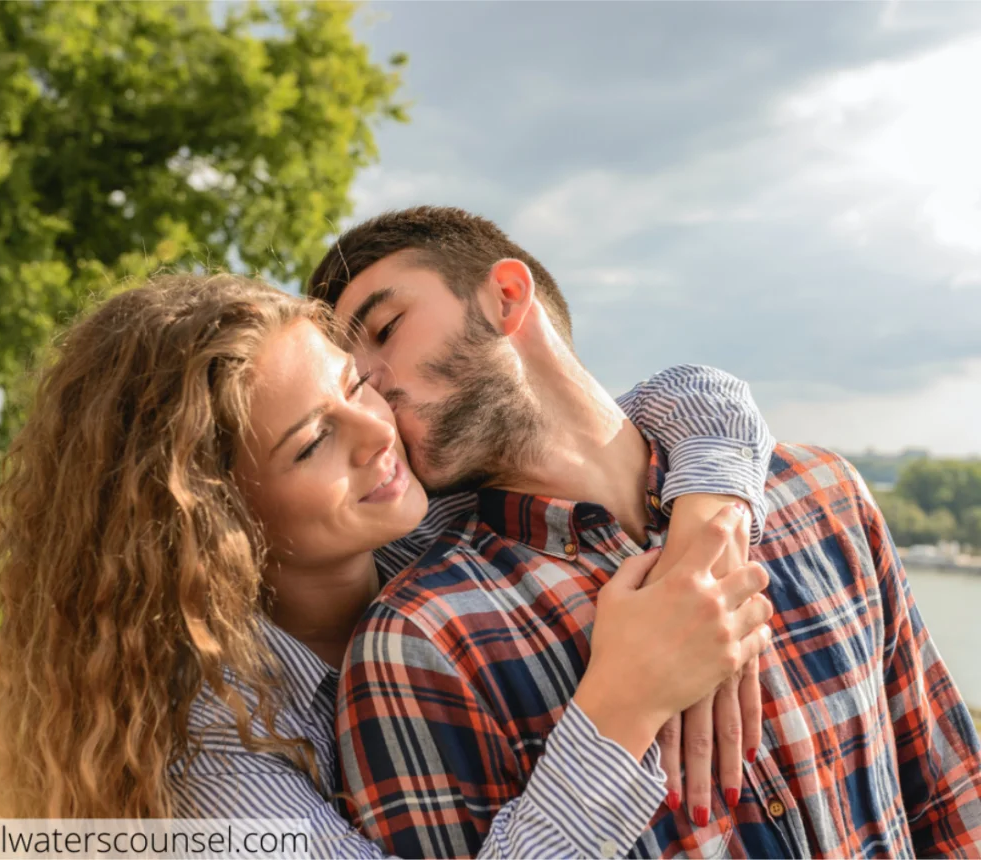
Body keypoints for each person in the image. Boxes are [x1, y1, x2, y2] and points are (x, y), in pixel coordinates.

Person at [0, 273, 774, 859]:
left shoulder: (428, 523)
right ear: (214, 521)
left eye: (358, 384)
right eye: (314, 442)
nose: (378, 431)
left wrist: (708, 531)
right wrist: (621, 707)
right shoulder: (210, 761)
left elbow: (687, 400)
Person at [310, 206, 981, 859]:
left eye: (386, 328)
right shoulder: (419, 642)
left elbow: (952, 803)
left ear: (507, 297)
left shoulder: (823, 494)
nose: (366, 384)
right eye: (347, 376)